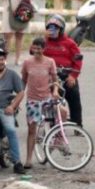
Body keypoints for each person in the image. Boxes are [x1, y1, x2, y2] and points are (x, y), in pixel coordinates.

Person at [20, 38, 58, 168]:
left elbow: (55, 80)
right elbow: (23, 81)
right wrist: (19, 97)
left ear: (44, 49)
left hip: (47, 99)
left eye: (39, 48)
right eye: (34, 48)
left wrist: (56, 91)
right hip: (32, 100)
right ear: (31, 48)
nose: (37, 51)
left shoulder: (50, 62)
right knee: (31, 130)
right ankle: (29, 159)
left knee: (58, 118)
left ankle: (55, 144)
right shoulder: (27, 63)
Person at [42, 14, 84, 126]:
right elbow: (33, 51)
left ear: (61, 29)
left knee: (74, 97)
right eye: (50, 28)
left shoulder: (69, 43)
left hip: (67, 75)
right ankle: (54, 124)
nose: (53, 30)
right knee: (53, 101)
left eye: (56, 28)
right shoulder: (44, 42)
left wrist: (73, 76)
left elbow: (78, 59)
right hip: (50, 77)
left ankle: (77, 124)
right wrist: (43, 38)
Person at [0, 0, 37, 66]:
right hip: (9, 11)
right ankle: (4, 58)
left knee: (20, 36)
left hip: (22, 11)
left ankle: (17, 58)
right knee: (7, 36)